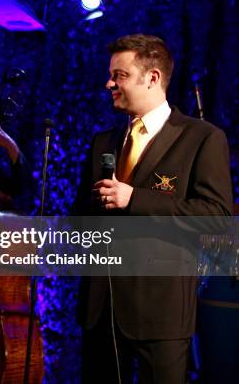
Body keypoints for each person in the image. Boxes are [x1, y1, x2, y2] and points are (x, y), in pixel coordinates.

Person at [74, 34, 233, 383]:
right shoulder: (104, 141)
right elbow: (80, 219)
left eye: (119, 75)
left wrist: (135, 199)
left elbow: (217, 217)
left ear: (153, 78)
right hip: (101, 312)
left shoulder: (202, 138)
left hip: (160, 314)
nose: (109, 83)